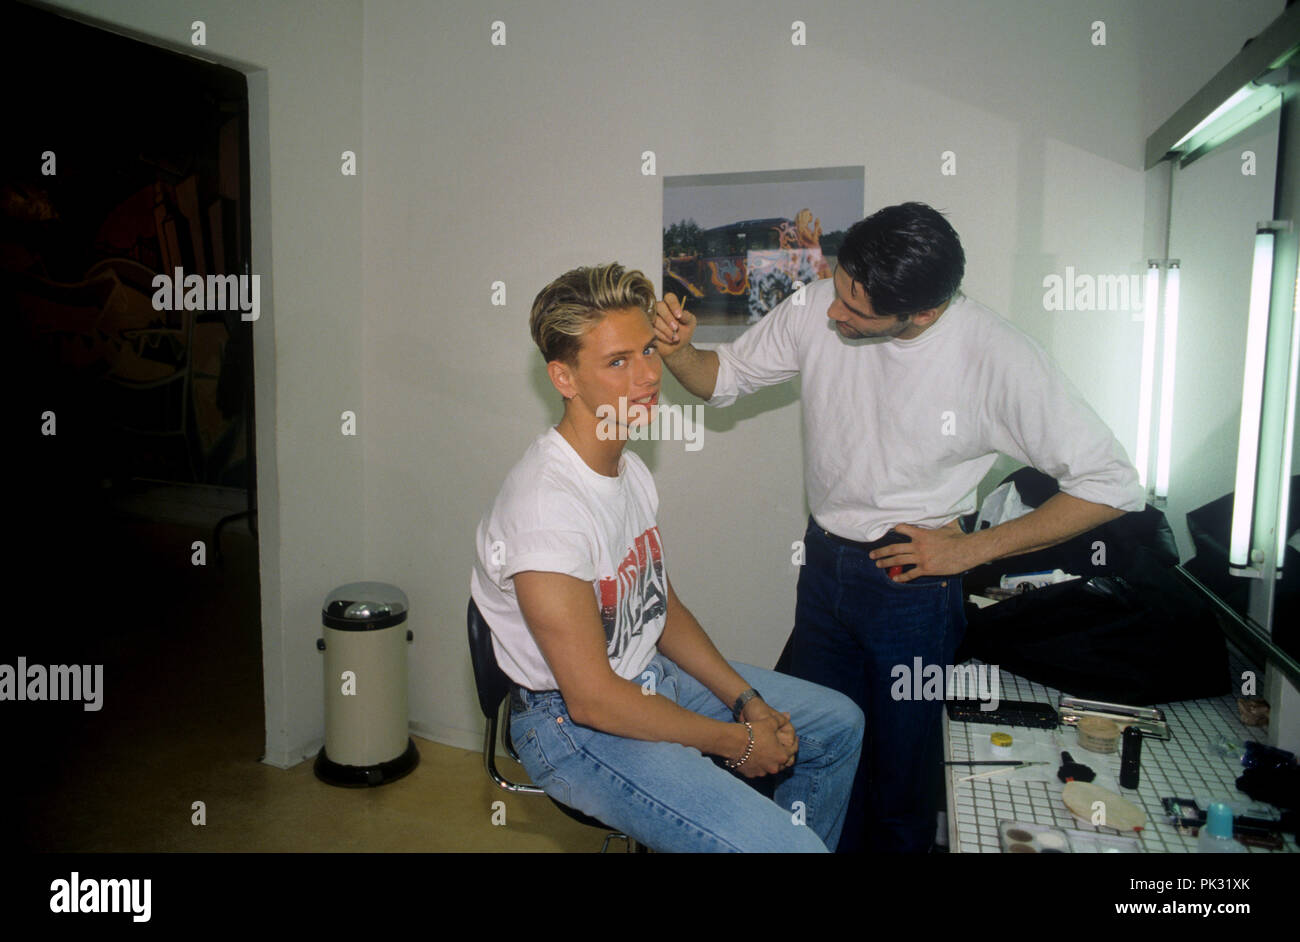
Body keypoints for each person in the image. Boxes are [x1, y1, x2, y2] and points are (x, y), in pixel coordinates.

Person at [653, 202, 1145, 852]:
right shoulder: (820, 303)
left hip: (912, 586)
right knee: (819, 753)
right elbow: (721, 380)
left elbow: (1113, 484)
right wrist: (680, 351)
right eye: (839, 292)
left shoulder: (995, 356)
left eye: (856, 312)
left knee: (901, 780)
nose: (833, 313)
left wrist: (973, 547)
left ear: (922, 313)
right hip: (825, 569)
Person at [470, 262, 863, 852]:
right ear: (565, 377)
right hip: (573, 727)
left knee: (839, 725)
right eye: (617, 362)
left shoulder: (625, 468)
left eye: (649, 350)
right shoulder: (545, 510)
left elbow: (660, 607)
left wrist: (748, 703)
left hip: (644, 674)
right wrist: (736, 742)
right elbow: (594, 699)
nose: (649, 375)